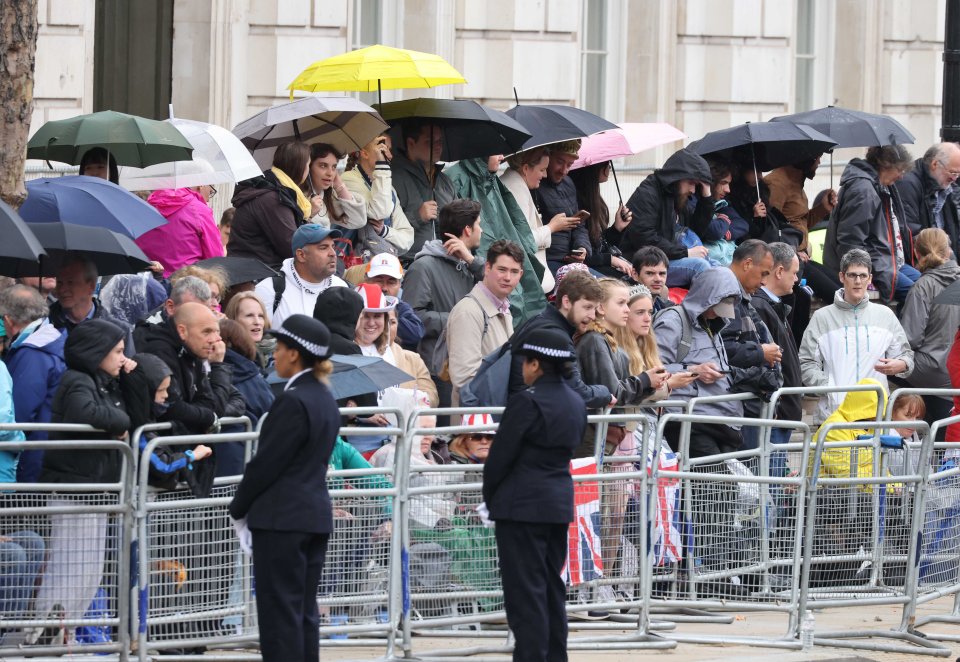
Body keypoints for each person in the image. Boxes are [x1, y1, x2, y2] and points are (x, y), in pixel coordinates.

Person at [228, 314, 339, 662]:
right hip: (311, 516)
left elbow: (267, 463)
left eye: (279, 347)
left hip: (282, 520)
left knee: (280, 617)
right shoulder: (323, 397)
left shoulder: (294, 401)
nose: (274, 354)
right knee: (303, 613)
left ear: (294, 354)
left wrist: (238, 507)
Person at [482, 327, 588, 662]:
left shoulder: (527, 402)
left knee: (524, 592)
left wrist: (490, 498)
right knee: (551, 587)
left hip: (521, 506)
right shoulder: (575, 402)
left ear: (536, 364)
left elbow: (500, 458)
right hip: (557, 502)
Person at [34, 320, 133, 645]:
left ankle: (66, 632)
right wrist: (118, 422)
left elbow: (130, 411)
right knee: (69, 565)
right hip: (74, 489)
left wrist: (132, 384)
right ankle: (43, 633)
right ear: (96, 352)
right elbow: (87, 412)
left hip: (95, 489)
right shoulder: (78, 380)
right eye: (117, 352)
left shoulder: (102, 381)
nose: (122, 358)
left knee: (89, 569)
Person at [800, 248, 914, 424]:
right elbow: (806, 363)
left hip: (875, 417)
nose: (858, 281)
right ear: (841, 277)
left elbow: (907, 356)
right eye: (852, 275)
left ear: (870, 278)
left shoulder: (886, 315)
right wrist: (829, 388)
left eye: (863, 276)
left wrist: (902, 364)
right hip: (834, 417)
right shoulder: (821, 317)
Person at [446, 155, 548, 325]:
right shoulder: (457, 178)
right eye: (496, 152)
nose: (502, 157)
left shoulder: (490, 177)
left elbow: (512, 224)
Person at [402, 200, 485, 406]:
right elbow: (410, 319)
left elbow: (500, 291)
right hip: (439, 370)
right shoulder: (423, 267)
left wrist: (473, 262)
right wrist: (457, 320)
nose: (481, 230)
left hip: (472, 363)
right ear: (467, 229)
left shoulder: (470, 264)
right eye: (479, 224)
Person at [576, 278, 670, 458]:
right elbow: (611, 393)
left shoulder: (607, 342)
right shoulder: (595, 340)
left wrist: (649, 384)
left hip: (608, 435)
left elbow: (622, 392)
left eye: (627, 303)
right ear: (601, 308)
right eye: (621, 303)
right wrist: (645, 380)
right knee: (591, 487)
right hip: (594, 435)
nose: (627, 309)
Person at [824, 144, 917, 304]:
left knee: (926, 285)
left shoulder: (876, 186)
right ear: (886, 165)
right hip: (875, 264)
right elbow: (850, 242)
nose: (902, 176)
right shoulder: (864, 191)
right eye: (900, 170)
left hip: (886, 260)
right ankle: (904, 329)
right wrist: (860, 276)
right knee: (916, 294)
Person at [507, 270, 613, 408]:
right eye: (587, 307)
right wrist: (605, 393)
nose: (593, 315)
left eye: (594, 308)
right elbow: (577, 393)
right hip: (529, 417)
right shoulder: (555, 337)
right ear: (566, 302)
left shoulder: (540, 321)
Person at [137, 301, 244, 437]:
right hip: (168, 449)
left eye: (217, 332)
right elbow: (171, 407)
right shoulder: (160, 350)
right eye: (207, 332)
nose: (215, 339)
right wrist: (208, 417)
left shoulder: (193, 349)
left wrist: (218, 366)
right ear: (182, 331)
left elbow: (212, 405)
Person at [620, 148, 715, 288]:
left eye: (697, 185)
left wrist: (707, 196)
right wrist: (686, 253)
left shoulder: (677, 196)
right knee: (700, 266)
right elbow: (644, 238)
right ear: (677, 177)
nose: (693, 190)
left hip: (666, 260)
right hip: (646, 265)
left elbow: (696, 229)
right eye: (691, 182)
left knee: (718, 267)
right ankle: (704, 310)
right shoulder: (649, 193)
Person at [0, 285, 66, 482]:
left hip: (32, 457)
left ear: (8, 321)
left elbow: (18, 414)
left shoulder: (32, 354)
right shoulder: (55, 339)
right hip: (48, 452)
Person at [124, 352, 214, 494]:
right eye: (161, 390)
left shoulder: (147, 418)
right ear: (145, 391)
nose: (166, 395)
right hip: (136, 498)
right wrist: (193, 455)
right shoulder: (140, 427)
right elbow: (161, 465)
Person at [447, 240, 523, 406]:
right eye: (502, 269)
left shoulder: (505, 309)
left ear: (521, 275)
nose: (508, 277)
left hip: (493, 417)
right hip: (476, 423)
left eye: (514, 271)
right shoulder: (468, 311)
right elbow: (464, 379)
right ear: (487, 268)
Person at [900, 228, 960, 430]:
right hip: (953, 370)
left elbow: (911, 339)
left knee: (882, 359)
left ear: (916, 254)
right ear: (948, 251)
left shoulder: (923, 286)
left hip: (933, 371)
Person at [500, 147, 579, 292]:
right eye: (542, 169)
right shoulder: (515, 189)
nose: (544, 175)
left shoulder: (515, 183)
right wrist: (552, 227)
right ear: (525, 168)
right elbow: (522, 240)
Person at [228, 141, 314, 268]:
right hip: (259, 274)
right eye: (308, 165)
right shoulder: (273, 199)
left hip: (256, 267)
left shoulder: (275, 191)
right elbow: (291, 246)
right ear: (300, 167)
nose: (309, 171)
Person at [751, 242, 803, 447]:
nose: (797, 279)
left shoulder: (770, 305)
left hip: (780, 412)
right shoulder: (759, 306)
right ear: (780, 271)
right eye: (794, 273)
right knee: (769, 478)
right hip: (774, 414)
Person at [254, 223, 347, 328]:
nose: (333, 253)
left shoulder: (341, 288)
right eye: (323, 247)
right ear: (301, 255)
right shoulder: (269, 290)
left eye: (333, 246)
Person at [391, 119, 457, 257]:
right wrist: (418, 216)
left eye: (440, 141)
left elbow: (458, 222)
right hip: (407, 262)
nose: (438, 146)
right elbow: (384, 227)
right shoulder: (392, 178)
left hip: (444, 261)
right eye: (430, 142)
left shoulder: (445, 181)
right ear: (411, 143)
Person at [342, 134, 416, 257]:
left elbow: (407, 239)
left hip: (385, 265)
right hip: (356, 267)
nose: (389, 156)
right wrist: (382, 165)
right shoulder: (348, 179)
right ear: (365, 154)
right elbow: (379, 213)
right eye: (383, 149)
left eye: (389, 150)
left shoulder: (388, 188)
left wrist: (385, 231)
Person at [48, 252, 135, 354]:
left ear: (91, 286)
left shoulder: (119, 331)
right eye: (59, 282)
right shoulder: (44, 323)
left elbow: (128, 368)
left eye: (70, 282)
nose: (63, 289)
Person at [136, 184, 225, 277]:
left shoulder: (146, 206)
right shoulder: (200, 211)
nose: (208, 199)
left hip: (147, 281)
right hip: (186, 284)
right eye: (210, 192)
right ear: (201, 185)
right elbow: (215, 260)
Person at [568, 160, 635, 277]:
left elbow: (599, 244)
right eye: (606, 164)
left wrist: (617, 228)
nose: (609, 167)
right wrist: (610, 259)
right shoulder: (577, 202)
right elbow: (583, 256)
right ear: (594, 169)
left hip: (599, 265)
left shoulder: (595, 199)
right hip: (586, 268)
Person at [535, 140, 592, 274]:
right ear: (548, 158)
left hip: (571, 260)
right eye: (560, 162)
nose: (564, 171)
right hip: (547, 260)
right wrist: (554, 226)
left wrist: (582, 248)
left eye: (570, 165)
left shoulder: (568, 183)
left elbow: (579, 225)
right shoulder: (535, 184)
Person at [764, 154, 837, 260]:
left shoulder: (796, 181)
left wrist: (824, 208)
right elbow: (770, 228)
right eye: (817, 157)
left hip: (800, 254)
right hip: (786, 259)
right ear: (808, 158)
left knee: (832, 276)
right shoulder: (777, 183)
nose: (819, 162)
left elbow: (799, 222)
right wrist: (794, 253)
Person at [895, 142, 960, 259]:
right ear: (935, 164)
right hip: (924, 262)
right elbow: (911, 233)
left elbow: (953, 230)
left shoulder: (944, 185)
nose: (954, 179)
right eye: (953, 172)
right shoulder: (908, 184)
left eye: (958, 174)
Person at [364, 253, 424, 350]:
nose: (384, 288)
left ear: (400, 284)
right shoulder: (355, 303)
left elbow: (416, 334)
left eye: (391, 282)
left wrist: (388, 313)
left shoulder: (401, 307)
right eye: (379, 281)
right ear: (366, 279)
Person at [301, 142, 366, 230]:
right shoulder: (297, 197)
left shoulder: (328, 198)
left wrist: (339, 186)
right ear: (308, 167)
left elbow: (358, 221)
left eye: (334, 167)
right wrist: (310, 215)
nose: (330, 173)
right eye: (323, 166)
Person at [223, 291, 273, 370]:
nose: (257, 322)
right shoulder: (227, 359)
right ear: (234, 320)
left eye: (261, 316)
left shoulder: (279, 354)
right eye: (249, 315)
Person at [631, 246, 675, 313]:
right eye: (650, 273)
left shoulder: (665, 306)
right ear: (635, 274)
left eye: (662, 273)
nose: (658, 279)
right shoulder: (623, 304)